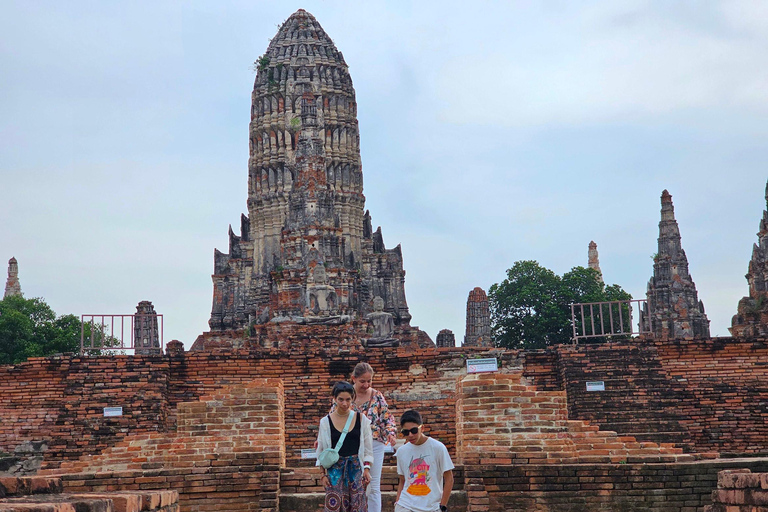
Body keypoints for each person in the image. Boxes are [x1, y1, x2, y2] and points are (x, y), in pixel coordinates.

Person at [316, 381, 373, 512]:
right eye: (340, 399)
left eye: (348, 399)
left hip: (355, 468)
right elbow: (321, 450)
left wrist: (367, 469)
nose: (344, 403)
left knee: (357, 505)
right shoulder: (325, 422)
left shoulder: (361, 419)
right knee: (334, 506)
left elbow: (368, 447)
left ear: (353, 399)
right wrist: (322, 474)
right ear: (334, 399)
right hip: (334, 470)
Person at [348, 362, 397, 512]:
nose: (366, 385)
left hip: (375, 442)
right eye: (362, 381)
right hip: (351, 444)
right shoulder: (345, 396)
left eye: (369, 381)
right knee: (352, 483)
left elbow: (387, 418)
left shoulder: (377, 396)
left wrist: (391, 433)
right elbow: (332, 418)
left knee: (374, 484)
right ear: (353, 378)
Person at [394, 409, 454, 512]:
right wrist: (397, 503)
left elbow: (449, 479)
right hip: (405, 505)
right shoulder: (401, 451)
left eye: (413, 430)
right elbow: (403, 480)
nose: (410, 435)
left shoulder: (438, 448)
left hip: (431, 507)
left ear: (422, 428)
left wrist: (443, 506)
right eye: (406, 432)